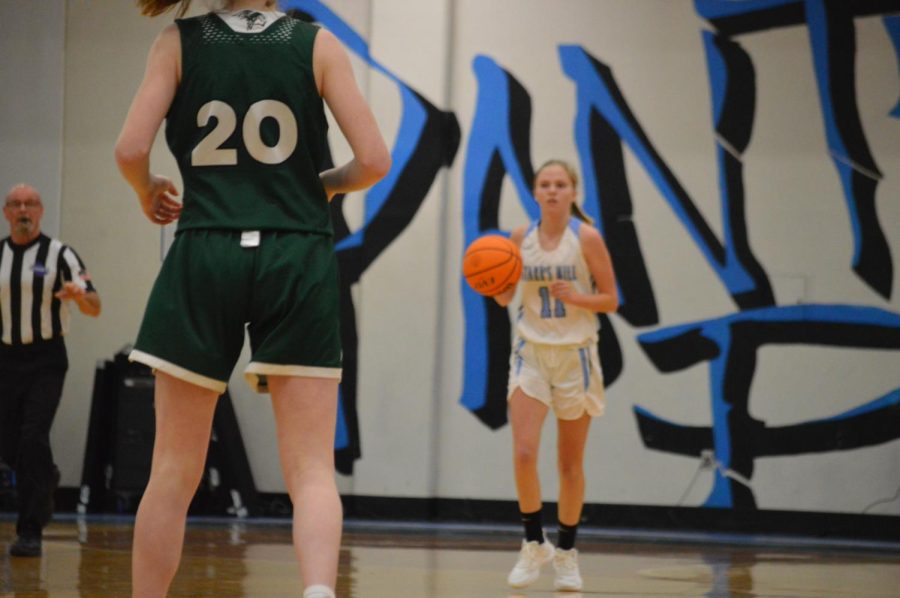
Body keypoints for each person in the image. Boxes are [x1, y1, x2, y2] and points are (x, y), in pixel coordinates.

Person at [114, 1, 390, 597]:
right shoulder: (314, 43)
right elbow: (374, 160)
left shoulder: (177, 41)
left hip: (205, 245)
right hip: (295, 250)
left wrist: (147, 191)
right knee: (312, 471)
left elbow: (130, 150)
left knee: (170, 473)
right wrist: (321, 187)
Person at [493, 160, 618, 592]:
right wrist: (490, 280)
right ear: (535, 192)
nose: (551, 191)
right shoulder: (517, 238)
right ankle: (533, 544)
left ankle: (566, 554)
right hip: (530, 353)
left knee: (569, 464)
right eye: (545, 184)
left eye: (559, 185)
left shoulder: (586, 238)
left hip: (576, 357)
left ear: (572, 192)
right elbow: (505, 295)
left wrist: (578, 296)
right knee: (525, 453)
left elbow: (612, 300)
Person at [0, 183, 102, 557]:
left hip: (45, 360)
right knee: (12, 445)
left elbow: (95, 304)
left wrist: (80, 297)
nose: (24, 209)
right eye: (16, 204)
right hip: (5, 360)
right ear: (6, 212)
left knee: (32, 437)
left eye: (31, 203)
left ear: (40, 211)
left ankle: (29, 531)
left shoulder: (60, 254)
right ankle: (45, 478)